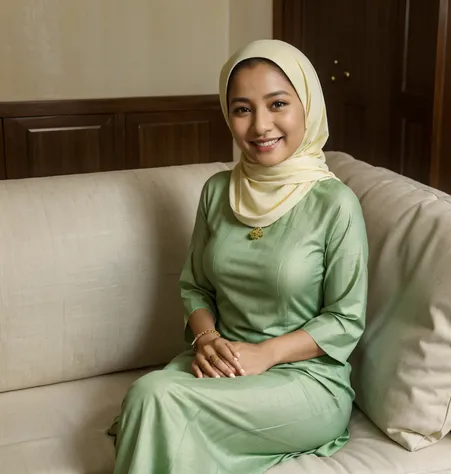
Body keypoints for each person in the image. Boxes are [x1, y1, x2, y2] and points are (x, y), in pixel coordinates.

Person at [110, 39, 368, 474]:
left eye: (278, 104)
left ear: (308, 106)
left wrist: (265, 354)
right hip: (222, 364)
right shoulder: (217, 191)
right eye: (242, 109)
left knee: (155, 404)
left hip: (305, 381)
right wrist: (208, 340)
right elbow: (195, 285)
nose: (260, 125)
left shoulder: (334, 203)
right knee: (144, 400)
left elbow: (346, 318)